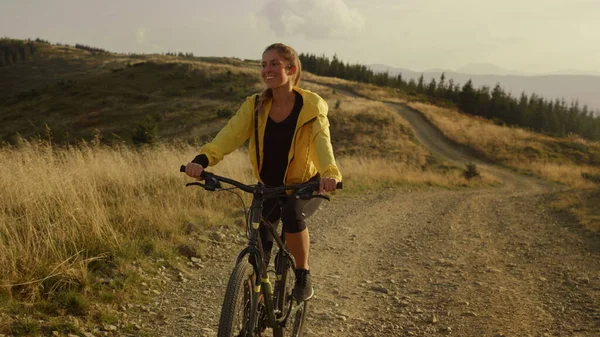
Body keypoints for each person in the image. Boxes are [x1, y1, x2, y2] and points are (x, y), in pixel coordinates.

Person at [184, 43, 342, 301]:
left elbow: (322, 144)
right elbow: (230, 135)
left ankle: (303, 274)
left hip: (305, 185)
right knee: (259, 244)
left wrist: (330, 173)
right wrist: (203, 159)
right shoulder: (255, 105)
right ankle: (255, 308)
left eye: (274, 64)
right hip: (268, 185)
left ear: (291, 69)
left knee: (291, 214)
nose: (266, 69)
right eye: (263, 64)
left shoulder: (311, 108)